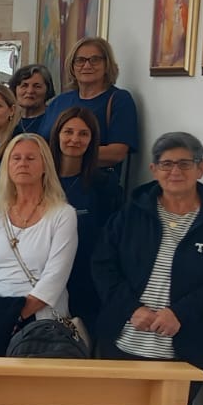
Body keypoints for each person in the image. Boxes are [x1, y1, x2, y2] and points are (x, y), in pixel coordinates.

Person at [92, 132, 203, 405]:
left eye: (184, 164)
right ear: (153, 170)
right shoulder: (130, 215)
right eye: (166, 164)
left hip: (187, 348)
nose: (175, 171)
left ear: (201, 168)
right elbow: (102, 266)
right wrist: (131, 308)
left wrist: (181, 313)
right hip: (124, 343)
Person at [0, 133, 78, 356]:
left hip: (40, 325)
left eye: (30, 158)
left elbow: (55, 276)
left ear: (45, 165)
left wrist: (15, 316)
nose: (22, 163)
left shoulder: (63, 214)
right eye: (16, 158)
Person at [51, 106, 123, 339]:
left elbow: (113, 243)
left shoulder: (105, 186)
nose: (75, 139)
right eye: (68, 132)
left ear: (93, 141)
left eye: (83, 134)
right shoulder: (39, 181)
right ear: (56, 135)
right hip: (42, 283)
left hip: (87, 286)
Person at [44, 36, 139, 182]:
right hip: (51, 182)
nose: (87, 66)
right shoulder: (59, 101)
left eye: (95, 60)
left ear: (107, 64)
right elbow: (42, 142)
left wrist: (66, 154)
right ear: (72, 66)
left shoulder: (119, 100)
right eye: (80, 60)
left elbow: (117, 153)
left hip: (93, 187)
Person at [11, 63, 56, 135]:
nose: (30, 91)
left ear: (48, 90)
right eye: (24, 85)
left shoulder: (54, 120)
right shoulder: (7, 118)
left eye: (37, 86)